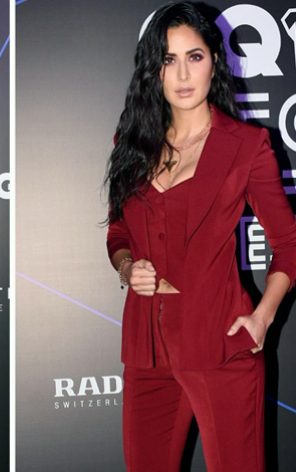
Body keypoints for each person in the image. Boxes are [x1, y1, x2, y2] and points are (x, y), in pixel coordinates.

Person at [105, 2, 296, 471]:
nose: (183, 74)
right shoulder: (131, 144)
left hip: (220, 345)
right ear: (154, 70)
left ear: (214, 60)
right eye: (169, 60)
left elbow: (289, 244)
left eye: (195, 56)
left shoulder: (246, 146)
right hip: (147, 350)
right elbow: (119, 230)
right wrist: (128, 267)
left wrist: (263, 317)